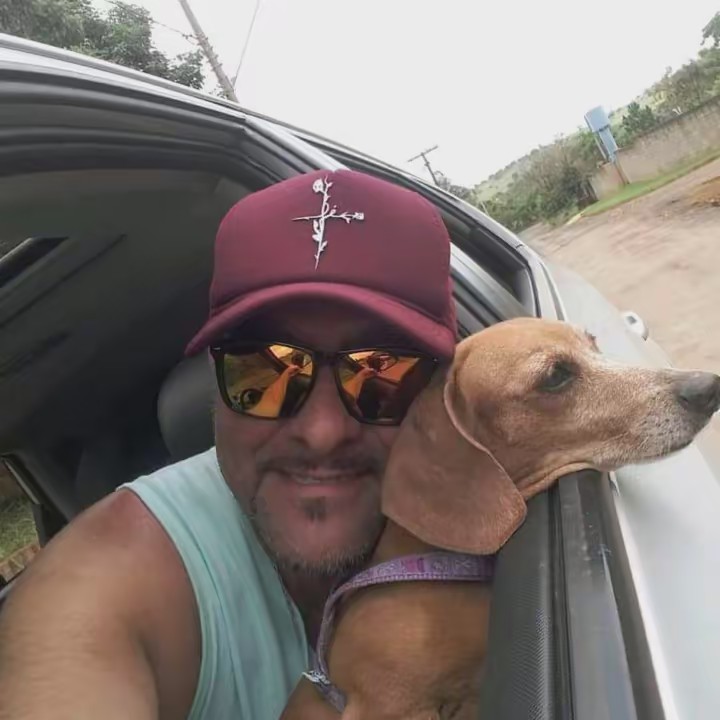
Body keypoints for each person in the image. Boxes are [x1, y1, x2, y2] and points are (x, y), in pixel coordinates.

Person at [0, 169, 458, 719]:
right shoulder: (104, 587)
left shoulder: (489, 489)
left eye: (383, 372)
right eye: (265, 370)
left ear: (445, 391)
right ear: (215, 387)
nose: (322, 432)